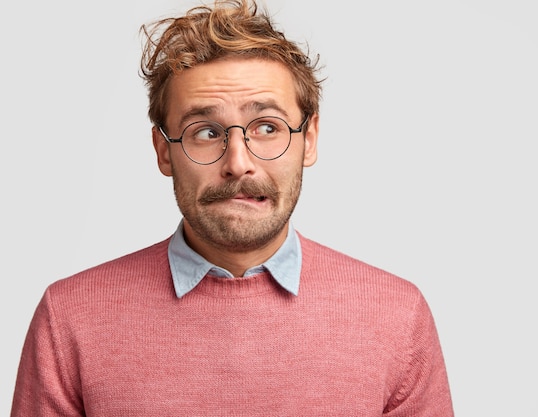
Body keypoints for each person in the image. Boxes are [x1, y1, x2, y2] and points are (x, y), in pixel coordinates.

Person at [11, 0, 454, 415]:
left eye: (266, 127)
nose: (238, 163)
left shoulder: (396, 316)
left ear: (309, 139)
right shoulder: (69, 318)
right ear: (164, 151)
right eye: (205, 132)